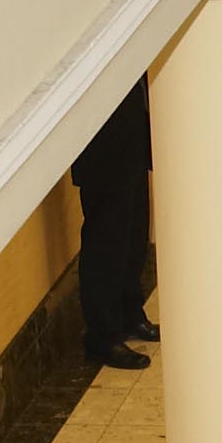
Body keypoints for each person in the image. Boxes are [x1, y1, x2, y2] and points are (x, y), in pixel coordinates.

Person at [73, 74, 156, 372]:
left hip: (131, 134)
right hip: (102, 143)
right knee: (106, 243)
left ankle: (130, 314)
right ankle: (103, 335)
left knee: (133, 235)